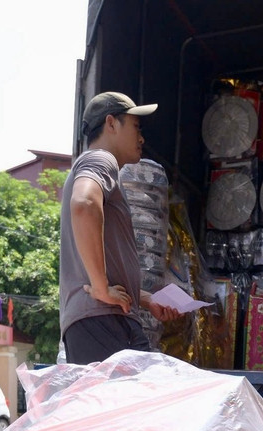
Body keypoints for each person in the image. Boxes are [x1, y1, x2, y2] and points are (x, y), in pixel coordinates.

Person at [58, 91, 181, 364]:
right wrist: (102, 289)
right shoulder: (100, 159)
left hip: (107, 319)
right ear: (111, 124)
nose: (142, 138)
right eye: (136, 127)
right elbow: (84, 203)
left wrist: (146, 300)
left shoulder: (102, 166)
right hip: (103, 319)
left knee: (130, 405)